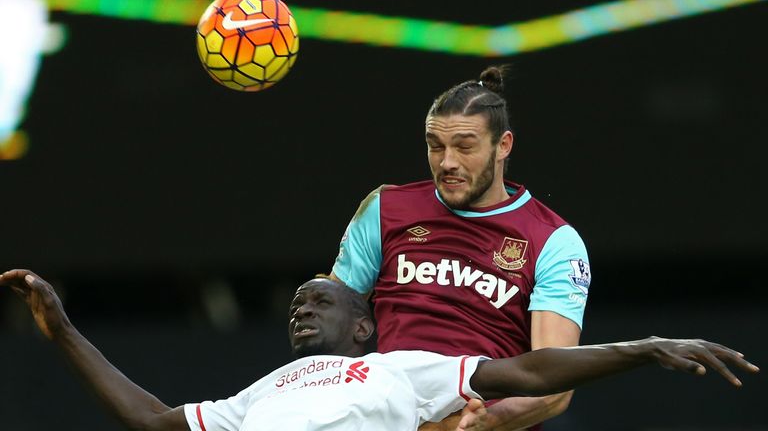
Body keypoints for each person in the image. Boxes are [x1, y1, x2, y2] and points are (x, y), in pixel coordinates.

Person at [0, 269, 758, 431]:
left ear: (363, 326)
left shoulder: (403, 366)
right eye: (296, 300)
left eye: (321, 299)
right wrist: (65, 332)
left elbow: (528, 370)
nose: (302, 304)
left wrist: (643, 345)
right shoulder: (259, 393)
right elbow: (155, 422)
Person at [331, 66, 590, 429]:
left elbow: (556, 386)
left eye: (464, 147)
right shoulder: (384, 209)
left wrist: (481, 424)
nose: (447, 162)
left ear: (503, 145)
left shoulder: (553, 240)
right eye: (435, 146)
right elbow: (333, 330)